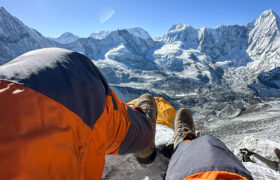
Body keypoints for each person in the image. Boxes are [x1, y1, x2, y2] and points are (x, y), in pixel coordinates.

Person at [0, 48, 253, 180]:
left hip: (39, 99)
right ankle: (178, 142)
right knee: (212, 160)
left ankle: (150, 133)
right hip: (48, 91)